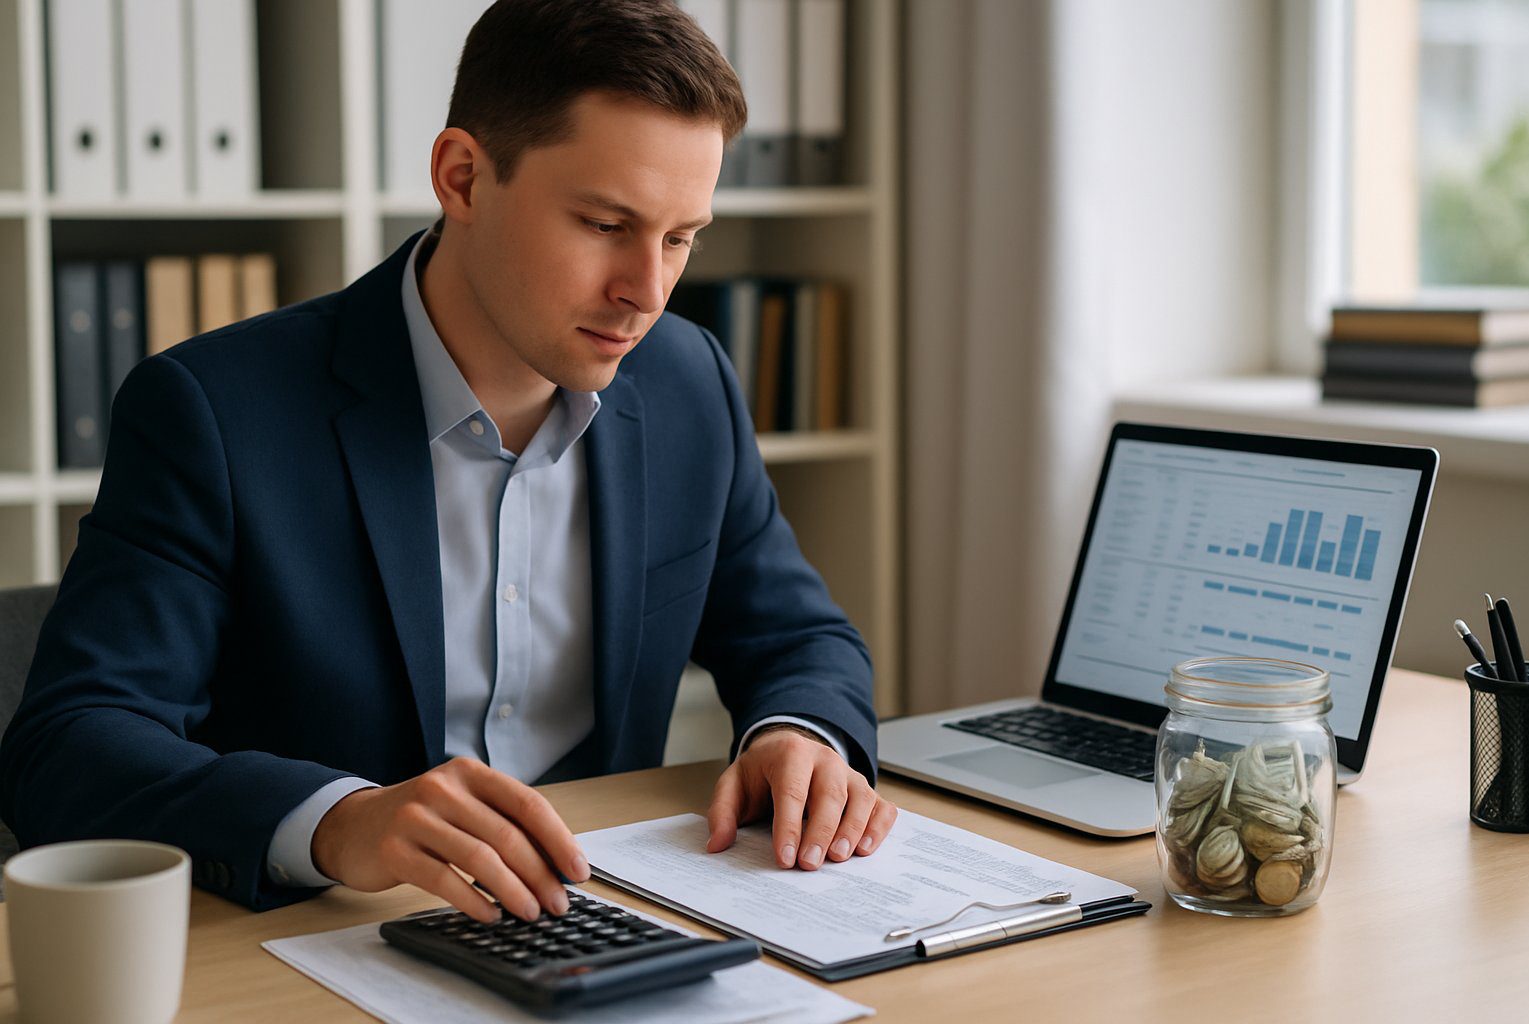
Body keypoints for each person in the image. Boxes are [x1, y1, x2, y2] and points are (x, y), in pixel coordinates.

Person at [0, 0, 894, 923]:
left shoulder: (686, 382)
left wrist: (802, 735)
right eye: (602, 224)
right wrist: (337, 821)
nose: (647, 292)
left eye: (679, 238)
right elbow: (69, 748)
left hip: (595, 925)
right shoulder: (215, 412)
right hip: (327, 940)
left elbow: (796, 637)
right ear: (462, 177)